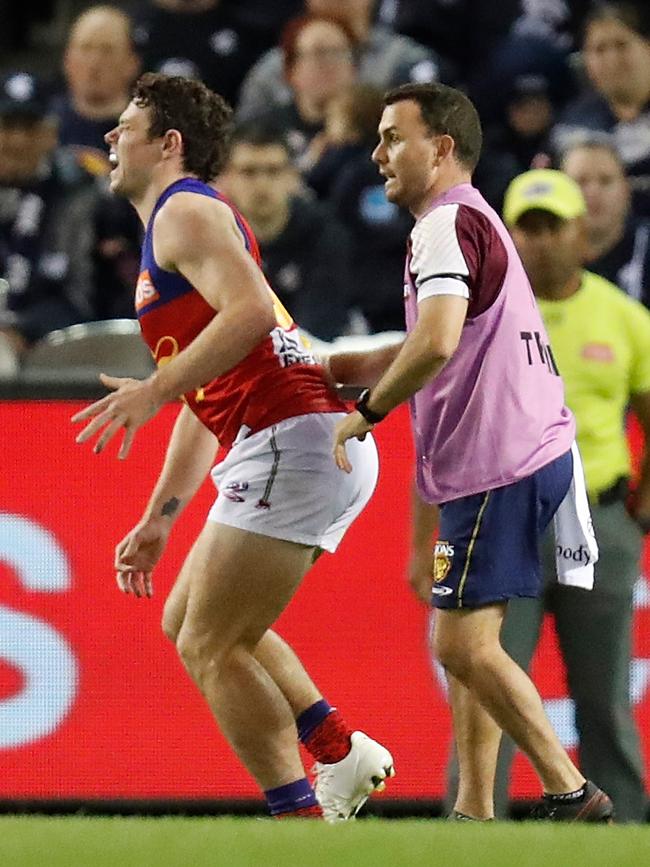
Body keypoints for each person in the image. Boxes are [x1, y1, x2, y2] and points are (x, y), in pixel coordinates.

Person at [70, 72, 394, 821]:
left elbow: (249, 314)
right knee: (192, 623)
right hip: (291, 436)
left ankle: (302, 819)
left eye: (126, 125)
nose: (111, 138)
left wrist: (150, 390)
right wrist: (160, 515)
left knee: (212, 644)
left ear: (169, 143)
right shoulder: (186, 226)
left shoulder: (183, 210)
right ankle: (340, 749)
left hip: (292, 435)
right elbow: (202, 393)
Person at [330, 81, 612, 821]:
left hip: (499, 460)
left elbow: (440, 337)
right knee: (472, 640)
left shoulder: (442, 223)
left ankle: (569, 787)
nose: (378, 152)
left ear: (443, 146)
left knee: (458, 642)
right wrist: (353, 364)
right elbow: (451, 335)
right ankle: (476, 807)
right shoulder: (477, 219)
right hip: (524, 453)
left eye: (394, 136)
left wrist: (370, 409)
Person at [482, 168, 649, 823]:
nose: (542, 241)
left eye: (555, 227)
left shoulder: (625, 317)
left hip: (599, 516)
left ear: (584, 233)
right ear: (510, 236)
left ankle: (626, 831)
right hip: (507, 518)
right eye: (529, 227)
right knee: (489, 686)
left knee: (604, 694)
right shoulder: (484, 318)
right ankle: (470, 832)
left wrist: (637, 505)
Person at [0, 70, 98, 371]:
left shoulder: (80, 191)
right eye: (7, 126)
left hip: (56, 348)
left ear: (51, 134)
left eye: (29, 128)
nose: (17, 140)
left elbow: (83, 294)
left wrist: (22, 329)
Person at [222, 122, 353, 340]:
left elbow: (321, 326)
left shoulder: (324, 233)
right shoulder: (213, 238)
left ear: (292, 176)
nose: (262, 184)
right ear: (226, 177)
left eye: (273, 171)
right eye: (249, 172)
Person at [237, 0, 443, 122]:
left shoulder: (404, 61)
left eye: (335, 53)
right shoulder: (272, 69)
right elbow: (247, 138)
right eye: (318, 53)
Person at [551, 2, 650, 217]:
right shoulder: (571, 124)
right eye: (599, 49)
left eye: (621, 45)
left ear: (647, 47)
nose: (612, 59)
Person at [560, 138, 650, 308]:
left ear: (626, 190)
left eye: (606, 180)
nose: (593, 192)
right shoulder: (541, 253)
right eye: (581, 181)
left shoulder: (646, 246)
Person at [50, 5, 141, 173]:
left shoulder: (148, 131)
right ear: (67, 60)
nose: (94, 62)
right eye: (85, 48)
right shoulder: (45, 126)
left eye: (107, 50)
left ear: (132, 63)